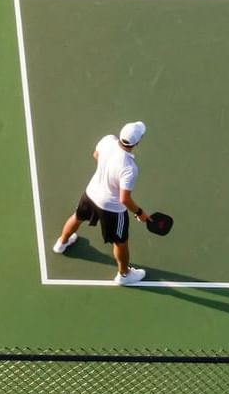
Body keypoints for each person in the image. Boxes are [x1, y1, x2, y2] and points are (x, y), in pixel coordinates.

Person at [52, 121, 156, 287]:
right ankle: (124, 274)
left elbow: (96, 155)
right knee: (120, 241)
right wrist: (139, 212)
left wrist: (106, 168)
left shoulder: (107, 140)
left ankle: (62, 243)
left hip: (91, 193)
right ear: (137, 143)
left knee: (77, 216)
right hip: (112, 209)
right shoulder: (129, 168)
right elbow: (124, 199)